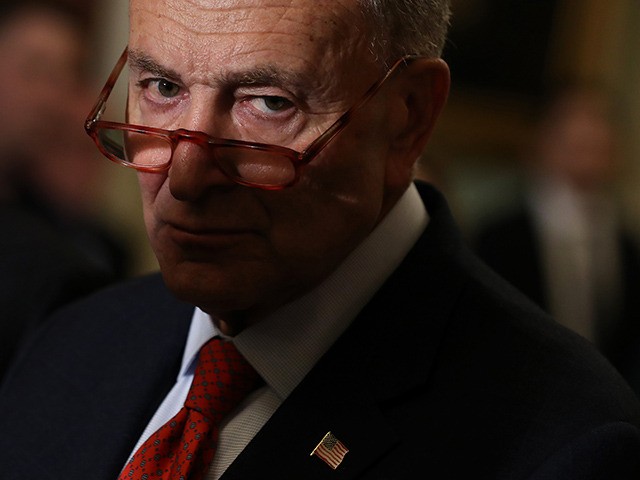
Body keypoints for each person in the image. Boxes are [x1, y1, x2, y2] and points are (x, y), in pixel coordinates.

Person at [0, 1, 639, 479]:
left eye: (267, 102)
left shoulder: (563, 447)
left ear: (409, 116)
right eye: (162, 88)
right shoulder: (71, 344)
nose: (185, 176)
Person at [475, 85, 640, 394]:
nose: (589, 132)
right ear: (544, 137)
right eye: (574, 120)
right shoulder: (501, 236)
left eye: (600, 121)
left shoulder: (627, 247)